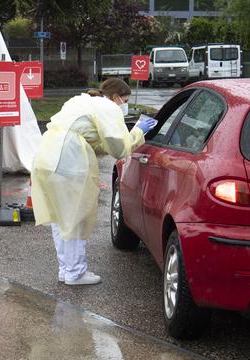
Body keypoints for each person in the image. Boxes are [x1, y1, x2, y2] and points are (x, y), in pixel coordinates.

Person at [31, 78, 157, 285]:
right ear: (116, 97)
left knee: (60, 216)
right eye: (124, 100)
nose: (124, 105)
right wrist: (138, 131)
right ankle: (75, 272)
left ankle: (66, 269)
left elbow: (96, 143)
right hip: (67, 158)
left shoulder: (82, 101)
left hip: (46, 153)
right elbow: (118, 148)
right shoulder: (108, 107)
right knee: (75, 216)